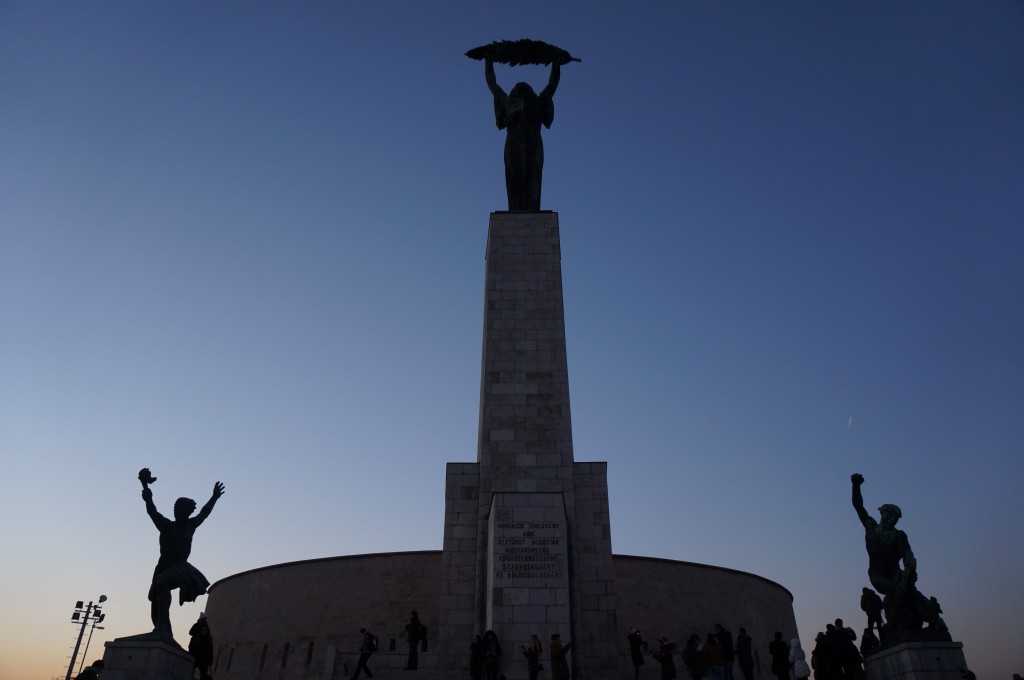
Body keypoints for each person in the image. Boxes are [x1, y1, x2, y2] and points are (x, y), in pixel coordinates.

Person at [850, 473, 947, 638]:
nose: (891, 519)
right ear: (882, 514)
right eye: (889, 515)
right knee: (896, 590)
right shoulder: (871, 527)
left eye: (895, 518)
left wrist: (909, 571)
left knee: (905, 591)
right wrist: (856, 485)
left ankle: (929, 618)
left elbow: (907, 555)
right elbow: (858, 506)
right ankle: (901, 624)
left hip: (895, 573)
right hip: (877, 574)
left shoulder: (898, 535)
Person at [139, 468, 225, 635]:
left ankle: (162, 627)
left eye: (183, 511)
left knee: (163, 583)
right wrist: (147, 496)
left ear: (187, 512)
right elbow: (152, 511)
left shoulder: (191, 526)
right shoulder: (166, 526)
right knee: (155, 600)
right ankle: (163, 628)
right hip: (164, 567)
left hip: (181, 567)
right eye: (176, 510)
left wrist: (214, 497)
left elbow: (204, 513)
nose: (178, 513)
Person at [484, 57, 560, 211]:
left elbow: (553, 83)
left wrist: (556, 62)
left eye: (524, 87)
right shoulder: (507, 101)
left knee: (534, 177)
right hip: (513, 139)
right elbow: (492, 84)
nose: (521, 86)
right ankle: (515, 210)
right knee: (514, 177)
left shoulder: (539, 101)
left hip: (533, 140)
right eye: (518, 87)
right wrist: (488, 60)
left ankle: (532, 211)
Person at [188, 613, 214, 680]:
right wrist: (210, 660)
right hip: (203, 657)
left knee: (192, 670)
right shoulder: (207, 636)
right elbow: (210, 649)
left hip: (197, 655)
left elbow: (190, 633)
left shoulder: (197, 628)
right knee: (202, 673)